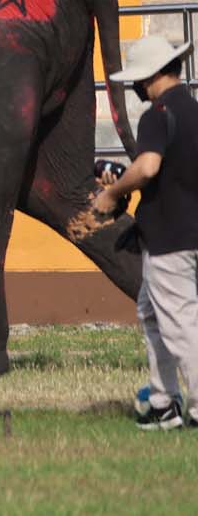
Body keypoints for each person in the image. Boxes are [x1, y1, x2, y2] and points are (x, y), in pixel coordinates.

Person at [93, 36, 198, 434]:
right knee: (151, 314)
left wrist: (113, 192)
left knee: (180, 323)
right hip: (187, 232)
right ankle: (162, 402)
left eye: (137, 80)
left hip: (170, 237)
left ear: (151, 76)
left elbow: (149, 167)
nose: (135, 87)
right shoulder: (193, 111)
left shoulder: (158, 114)